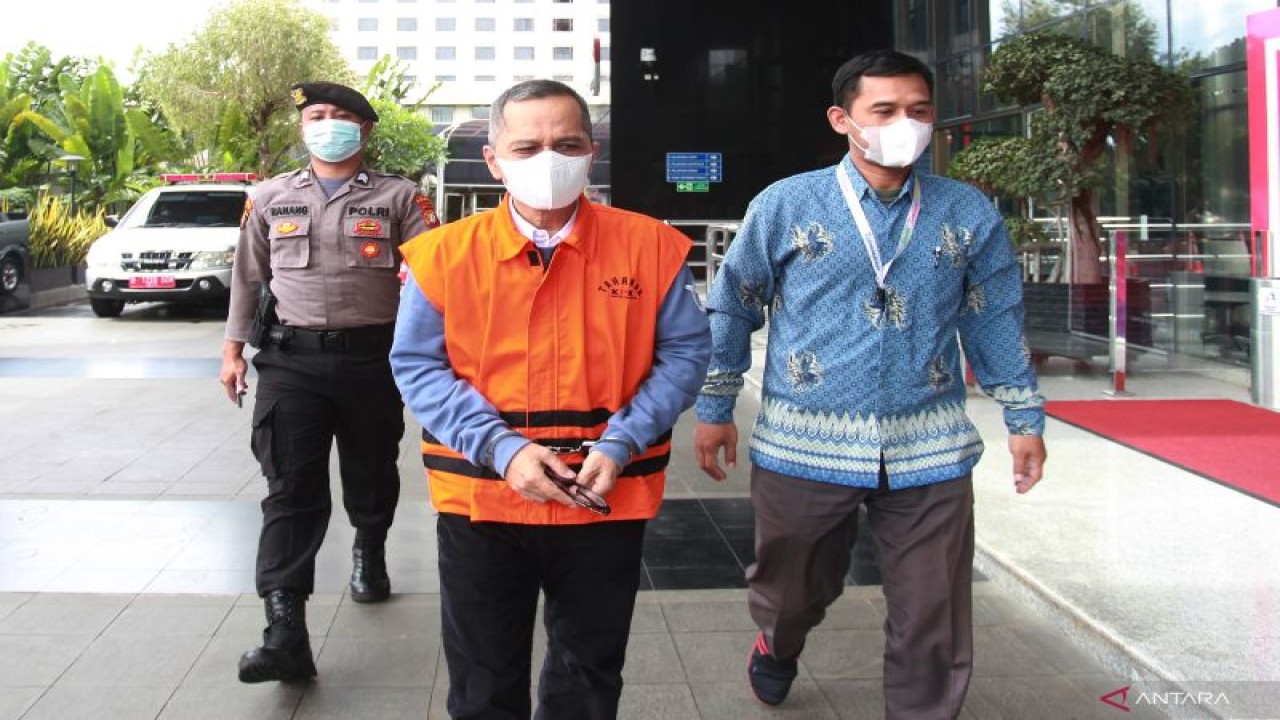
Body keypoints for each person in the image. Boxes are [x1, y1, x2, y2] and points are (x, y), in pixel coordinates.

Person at [693, 50, 1048, 718]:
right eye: (883, 110)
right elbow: (733, 303)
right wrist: (716, 406)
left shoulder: (966, 212)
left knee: (933, 612)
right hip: (806, 444)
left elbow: (994, 318)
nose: (902, 124)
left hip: (930, 447)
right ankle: (779, 641)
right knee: (793, 590)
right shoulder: (787, 203)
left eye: (917, 110)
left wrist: (1024, 416)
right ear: (842, 119)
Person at [390, 79, 711, 719]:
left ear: (592, 152)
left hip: (604, 499)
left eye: (566, 144)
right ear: (493, 158)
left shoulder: (651, 246)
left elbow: (686, 354)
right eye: (528, 145)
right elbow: (417, 364)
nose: (548, 159)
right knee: (483, 682)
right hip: (483, 500)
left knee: (588, 677)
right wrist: (502, 451)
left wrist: (622, 441)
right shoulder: (443, 257)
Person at [219, 81, 440, 683]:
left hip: (375, 359)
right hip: (291, 362)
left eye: (341, 117)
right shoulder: (268, 197)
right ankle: (284, 630)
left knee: (371, 469)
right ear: (302, 128)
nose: (327, 125)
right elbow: (247, 279)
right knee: (290, 489)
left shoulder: (401, 198)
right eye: (316, 116)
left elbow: (433, 281)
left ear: (364, 131)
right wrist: (233, 350)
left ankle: (370, 546)